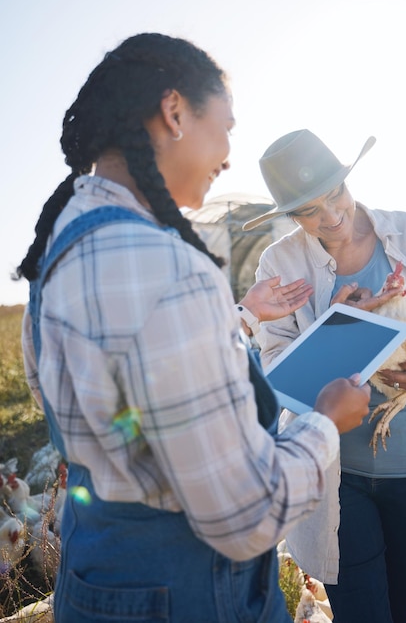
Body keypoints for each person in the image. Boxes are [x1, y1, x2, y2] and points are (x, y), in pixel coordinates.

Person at [15, 35, 372, 623]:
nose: (228, 153)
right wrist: (325, 423)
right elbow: (243, 515)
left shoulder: (59, 243)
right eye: (226, 126)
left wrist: (242, 317)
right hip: (194, 593)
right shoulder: (170, 266)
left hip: (95, 581)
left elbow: (115, 385)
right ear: (175, 112)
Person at [243, 129, 406, 623]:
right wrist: (333, 329)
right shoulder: (281, 264)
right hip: (339, 477)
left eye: (336, 194)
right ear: (290, 217)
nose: (332, 215)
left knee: (400, 612)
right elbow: (276, 375)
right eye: (310, 210)